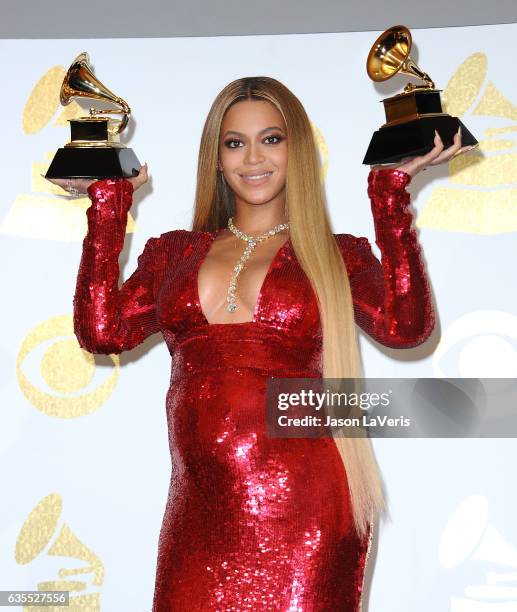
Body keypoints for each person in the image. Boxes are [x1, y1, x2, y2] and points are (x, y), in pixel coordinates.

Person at [47, 76, 471, 611]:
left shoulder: (336, 255)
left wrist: (390, 199)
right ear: (217, 157)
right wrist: (107, 208)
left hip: (307, 515)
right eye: (234, 142)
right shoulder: (174, 253)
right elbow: (102, 331)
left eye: (271, 139)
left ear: (296, 148)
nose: (253, 158)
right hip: (198, 515)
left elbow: (406, 328)